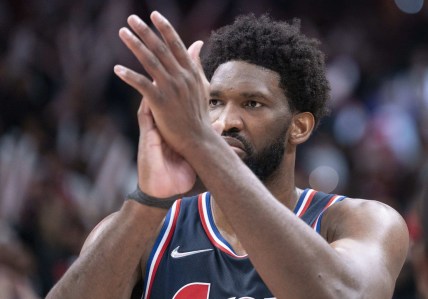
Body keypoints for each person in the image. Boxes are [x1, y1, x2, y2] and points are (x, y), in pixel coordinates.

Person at [46, 11, 409, 299]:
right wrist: (148, 200)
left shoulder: (361, 221)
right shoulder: (150, 228)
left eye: (252, 104)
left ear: (299, 127)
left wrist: (204, 149)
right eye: (214, 103)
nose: (224, 122)